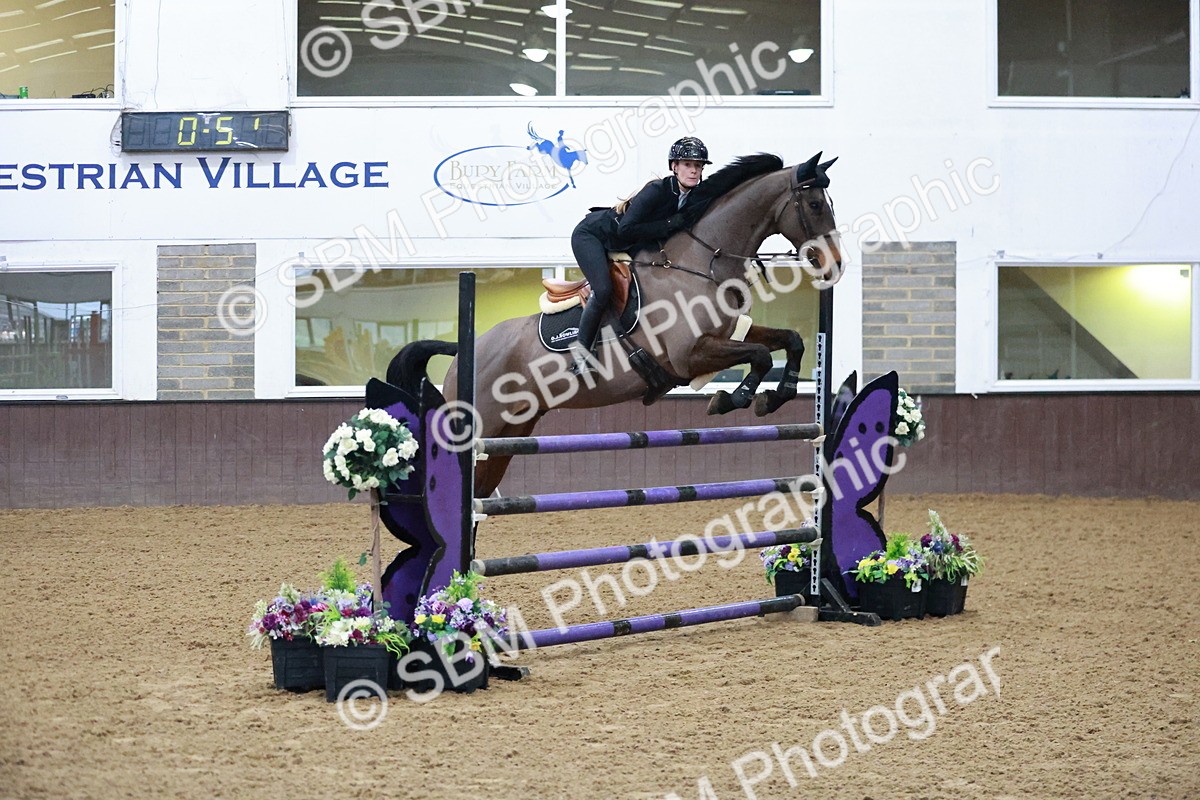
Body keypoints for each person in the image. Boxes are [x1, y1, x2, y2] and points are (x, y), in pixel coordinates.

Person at [568, 136, 711, 374]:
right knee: (603, 290)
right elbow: (626, 229)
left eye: (698, 166)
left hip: (628, 244)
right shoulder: (656, 190)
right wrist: (668, 223)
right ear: (674, 167)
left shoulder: (693, 197)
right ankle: (581, 357)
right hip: (593, 236)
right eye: (687, 164)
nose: (694, 170)